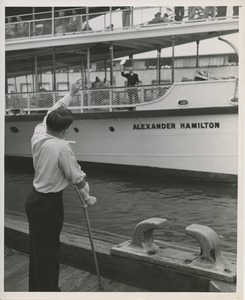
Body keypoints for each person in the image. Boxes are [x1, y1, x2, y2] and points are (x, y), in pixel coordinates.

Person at [25, 79, 97, 291]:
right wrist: (88, 197)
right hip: (49, 204)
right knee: (50, 249)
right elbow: (77, 177)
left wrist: (70, 94)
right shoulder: (62, 147)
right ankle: (48, 291)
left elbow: (54, 109)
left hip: (34, 199)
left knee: (38, 248)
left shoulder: (39, 133)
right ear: (65, 129)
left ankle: (37, 289)